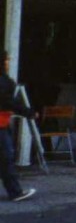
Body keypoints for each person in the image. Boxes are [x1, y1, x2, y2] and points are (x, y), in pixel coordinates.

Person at [0, 52, 37, 202]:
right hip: (1, 122)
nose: (8, 63)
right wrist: (28, 112)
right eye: (6, 60)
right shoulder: (3, 82)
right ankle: (15, 192)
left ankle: (14, 190)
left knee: (5, 158)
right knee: (6, 157)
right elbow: (9, 102)